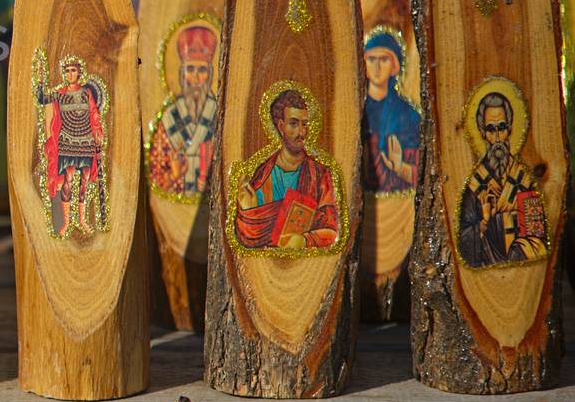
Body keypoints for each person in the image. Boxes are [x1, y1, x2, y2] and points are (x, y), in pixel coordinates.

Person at [236, 89, 340, 250]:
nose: (301, 132)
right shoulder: (263, 175)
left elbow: (333, 230)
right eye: (293, 123)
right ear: (280, 126)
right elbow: (247, 235)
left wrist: (306, 240)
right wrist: (248, 212)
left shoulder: (320, 175)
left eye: (304, 124)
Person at [458, 91, 548, 268]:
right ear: (483, 133)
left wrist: (520, 251)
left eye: (502, 127)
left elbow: (537, 234)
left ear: (510, 129)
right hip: (486, 275)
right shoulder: (476, 183)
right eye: (491, 129)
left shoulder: (522, 177)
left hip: (521, 270)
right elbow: (464, 240)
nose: (498, 137)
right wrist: (483, 222)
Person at [147, 23, 220, 198]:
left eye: (202, 70)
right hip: (175, 208)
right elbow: (156, 177)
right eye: (190, 69)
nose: (195, 77)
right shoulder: (168, 117)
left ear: (210, 75)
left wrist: (212, 182)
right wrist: (174, 174)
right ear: (182, 73)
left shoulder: (219, 114)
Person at [36, 56, 106, 236]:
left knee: (84, 181)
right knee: (68, 181)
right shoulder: (60, 93)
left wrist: (97, 131)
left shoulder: (86, 93)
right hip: (67, 141)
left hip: (86, 142)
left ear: (79, 73)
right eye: (67, 71)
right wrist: (41, 79)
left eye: (73, 70)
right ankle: (66, 222)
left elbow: (94, 114)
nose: (70, 74)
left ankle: (82, 220)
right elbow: (42, 98)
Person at [361, 30, 420, 195]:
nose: (377, 67)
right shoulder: (357, 113)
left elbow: (420, 174)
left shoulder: (409, 116)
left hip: (399, 206)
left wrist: (400, 167)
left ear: (394, 67)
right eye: (371, 59)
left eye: (384, 59)